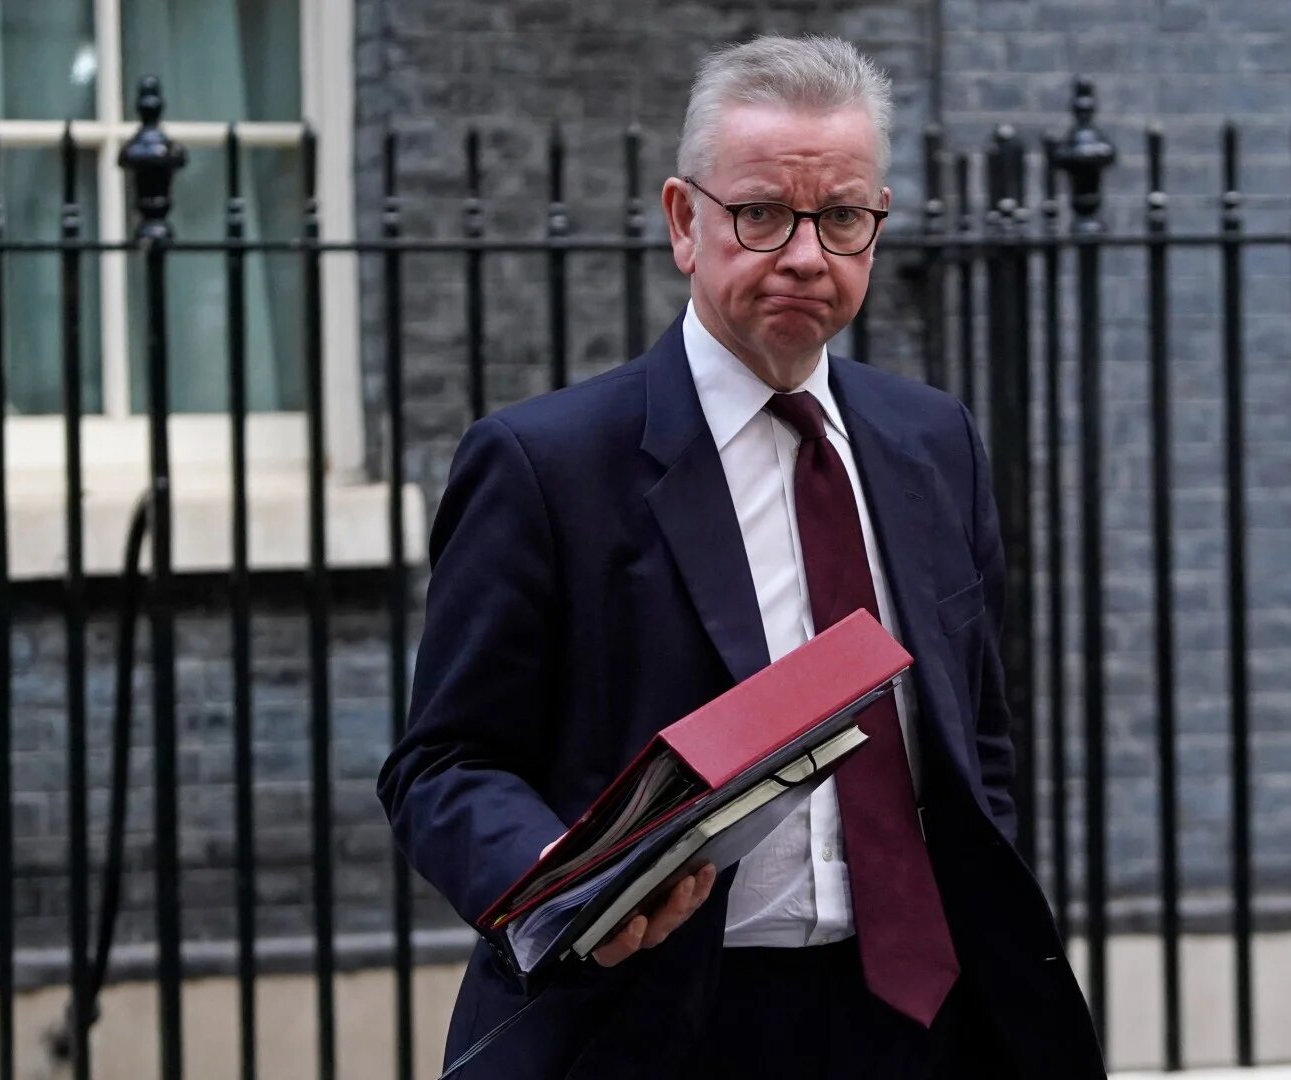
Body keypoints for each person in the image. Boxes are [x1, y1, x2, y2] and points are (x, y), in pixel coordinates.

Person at [376, 34, 1105, 1080]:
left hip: (921, 1021)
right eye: (761, 214)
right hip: (659, 1025)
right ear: (686, 220)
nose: (806, 254)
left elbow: (972, 731)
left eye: (842, 216)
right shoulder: (547, 465)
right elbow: (442, 765)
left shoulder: (933, 440)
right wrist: (557, 886)